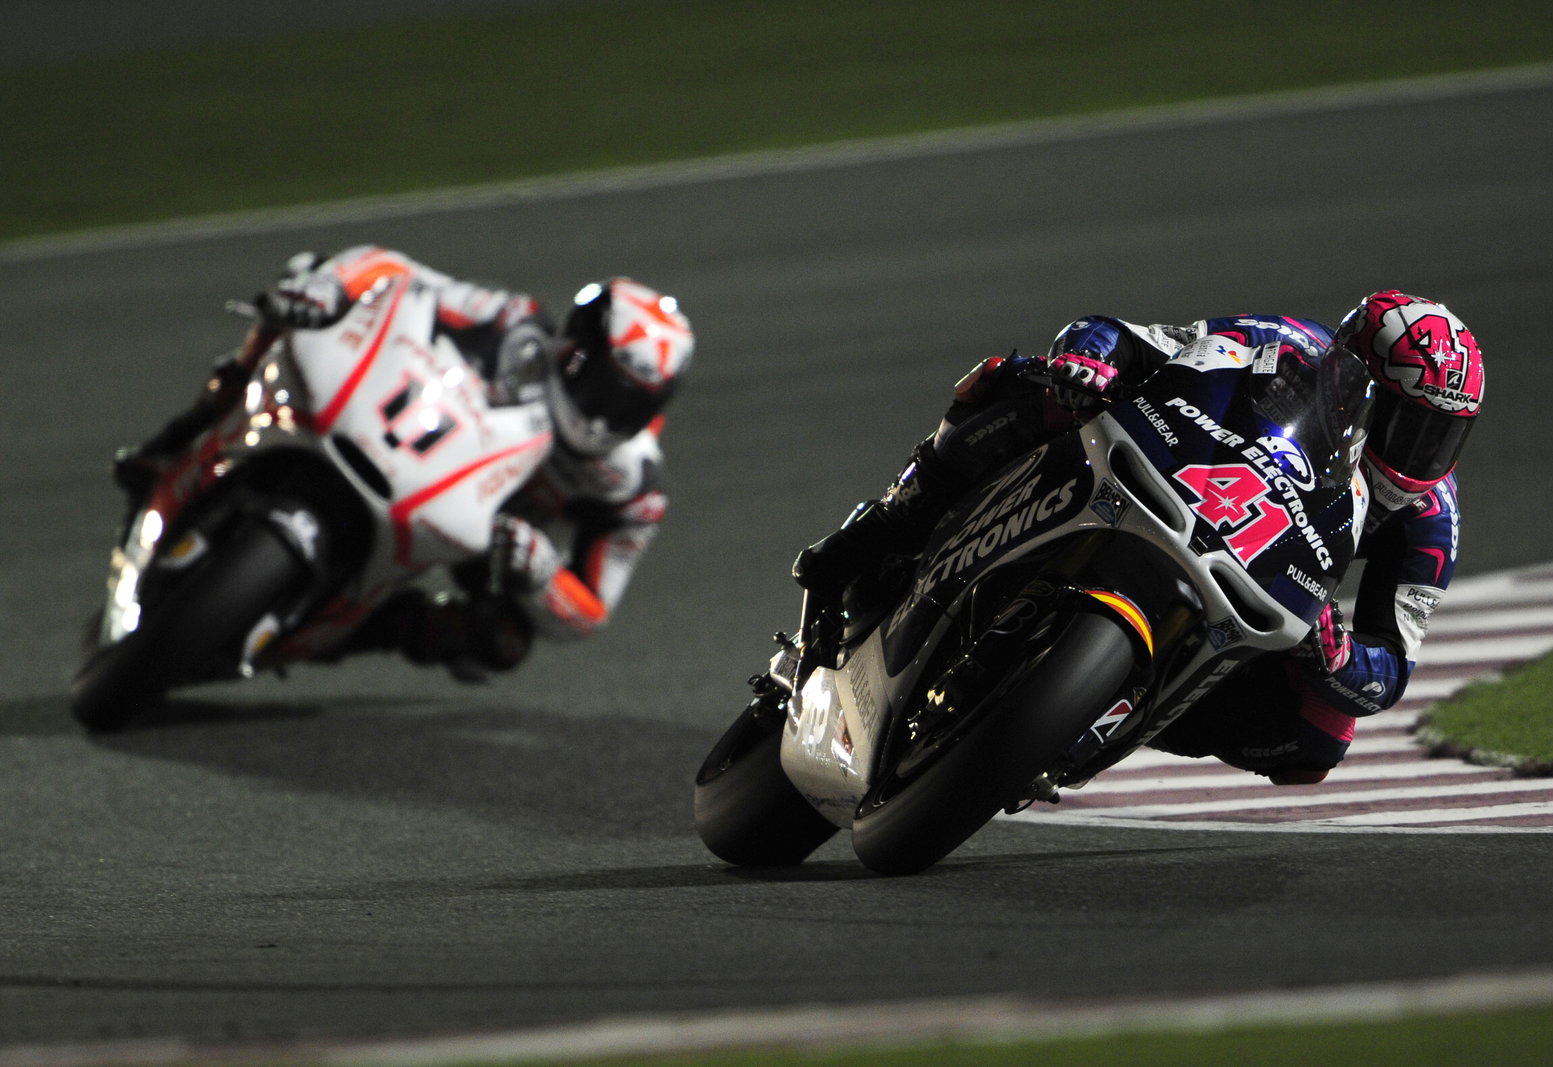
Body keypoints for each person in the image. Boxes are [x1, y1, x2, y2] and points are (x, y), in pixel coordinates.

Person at [792, 291, 1484, 785]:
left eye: (1439, 435)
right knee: (1029, 384)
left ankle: (1106, 709)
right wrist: (1090, 358)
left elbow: (1390, 665)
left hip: (1259, 567)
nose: (1417, 453)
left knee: (1319, 740)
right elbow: (1142, 339)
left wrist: (1337, 654)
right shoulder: (1284, 345)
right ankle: (888, 521)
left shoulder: (1430, 518)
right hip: (1179, 470)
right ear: (1349, 377)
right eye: (1403, 423)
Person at [115, 246, 695, 681]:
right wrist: (330, 288)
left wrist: (541, 572)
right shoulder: (513, 323)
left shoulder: (631, 483)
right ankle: (181, 436)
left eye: (630, 403)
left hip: (485, 538)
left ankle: (361, 629)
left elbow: (592, 610)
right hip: (425, 448)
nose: (605, 412)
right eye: (604, 386)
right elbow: (400, 273)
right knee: (297, 291)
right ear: (576, 348)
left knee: (501, 641)